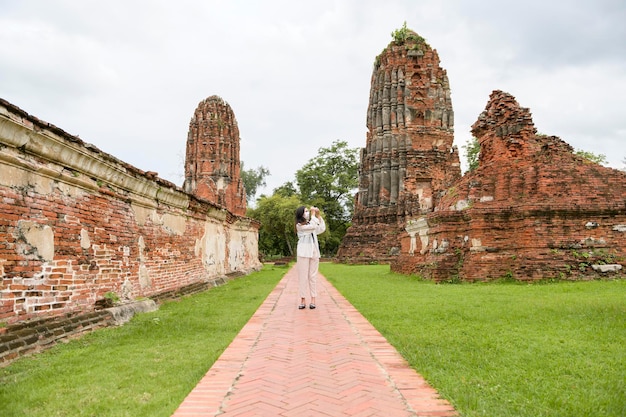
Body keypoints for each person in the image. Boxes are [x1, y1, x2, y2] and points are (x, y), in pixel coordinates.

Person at [295, 205, 326, 309]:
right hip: (303, 252)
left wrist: (318, 215)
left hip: (314, 252)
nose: (308, 212)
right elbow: (312, 227)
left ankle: (313, 299)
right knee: (303, 276)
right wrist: (313, 215)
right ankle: (302, 299)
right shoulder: (299, 226)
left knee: (313, 276)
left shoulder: (312, 222)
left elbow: (321, 228)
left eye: (308, 211)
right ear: (301, 214)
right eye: (306, 211)